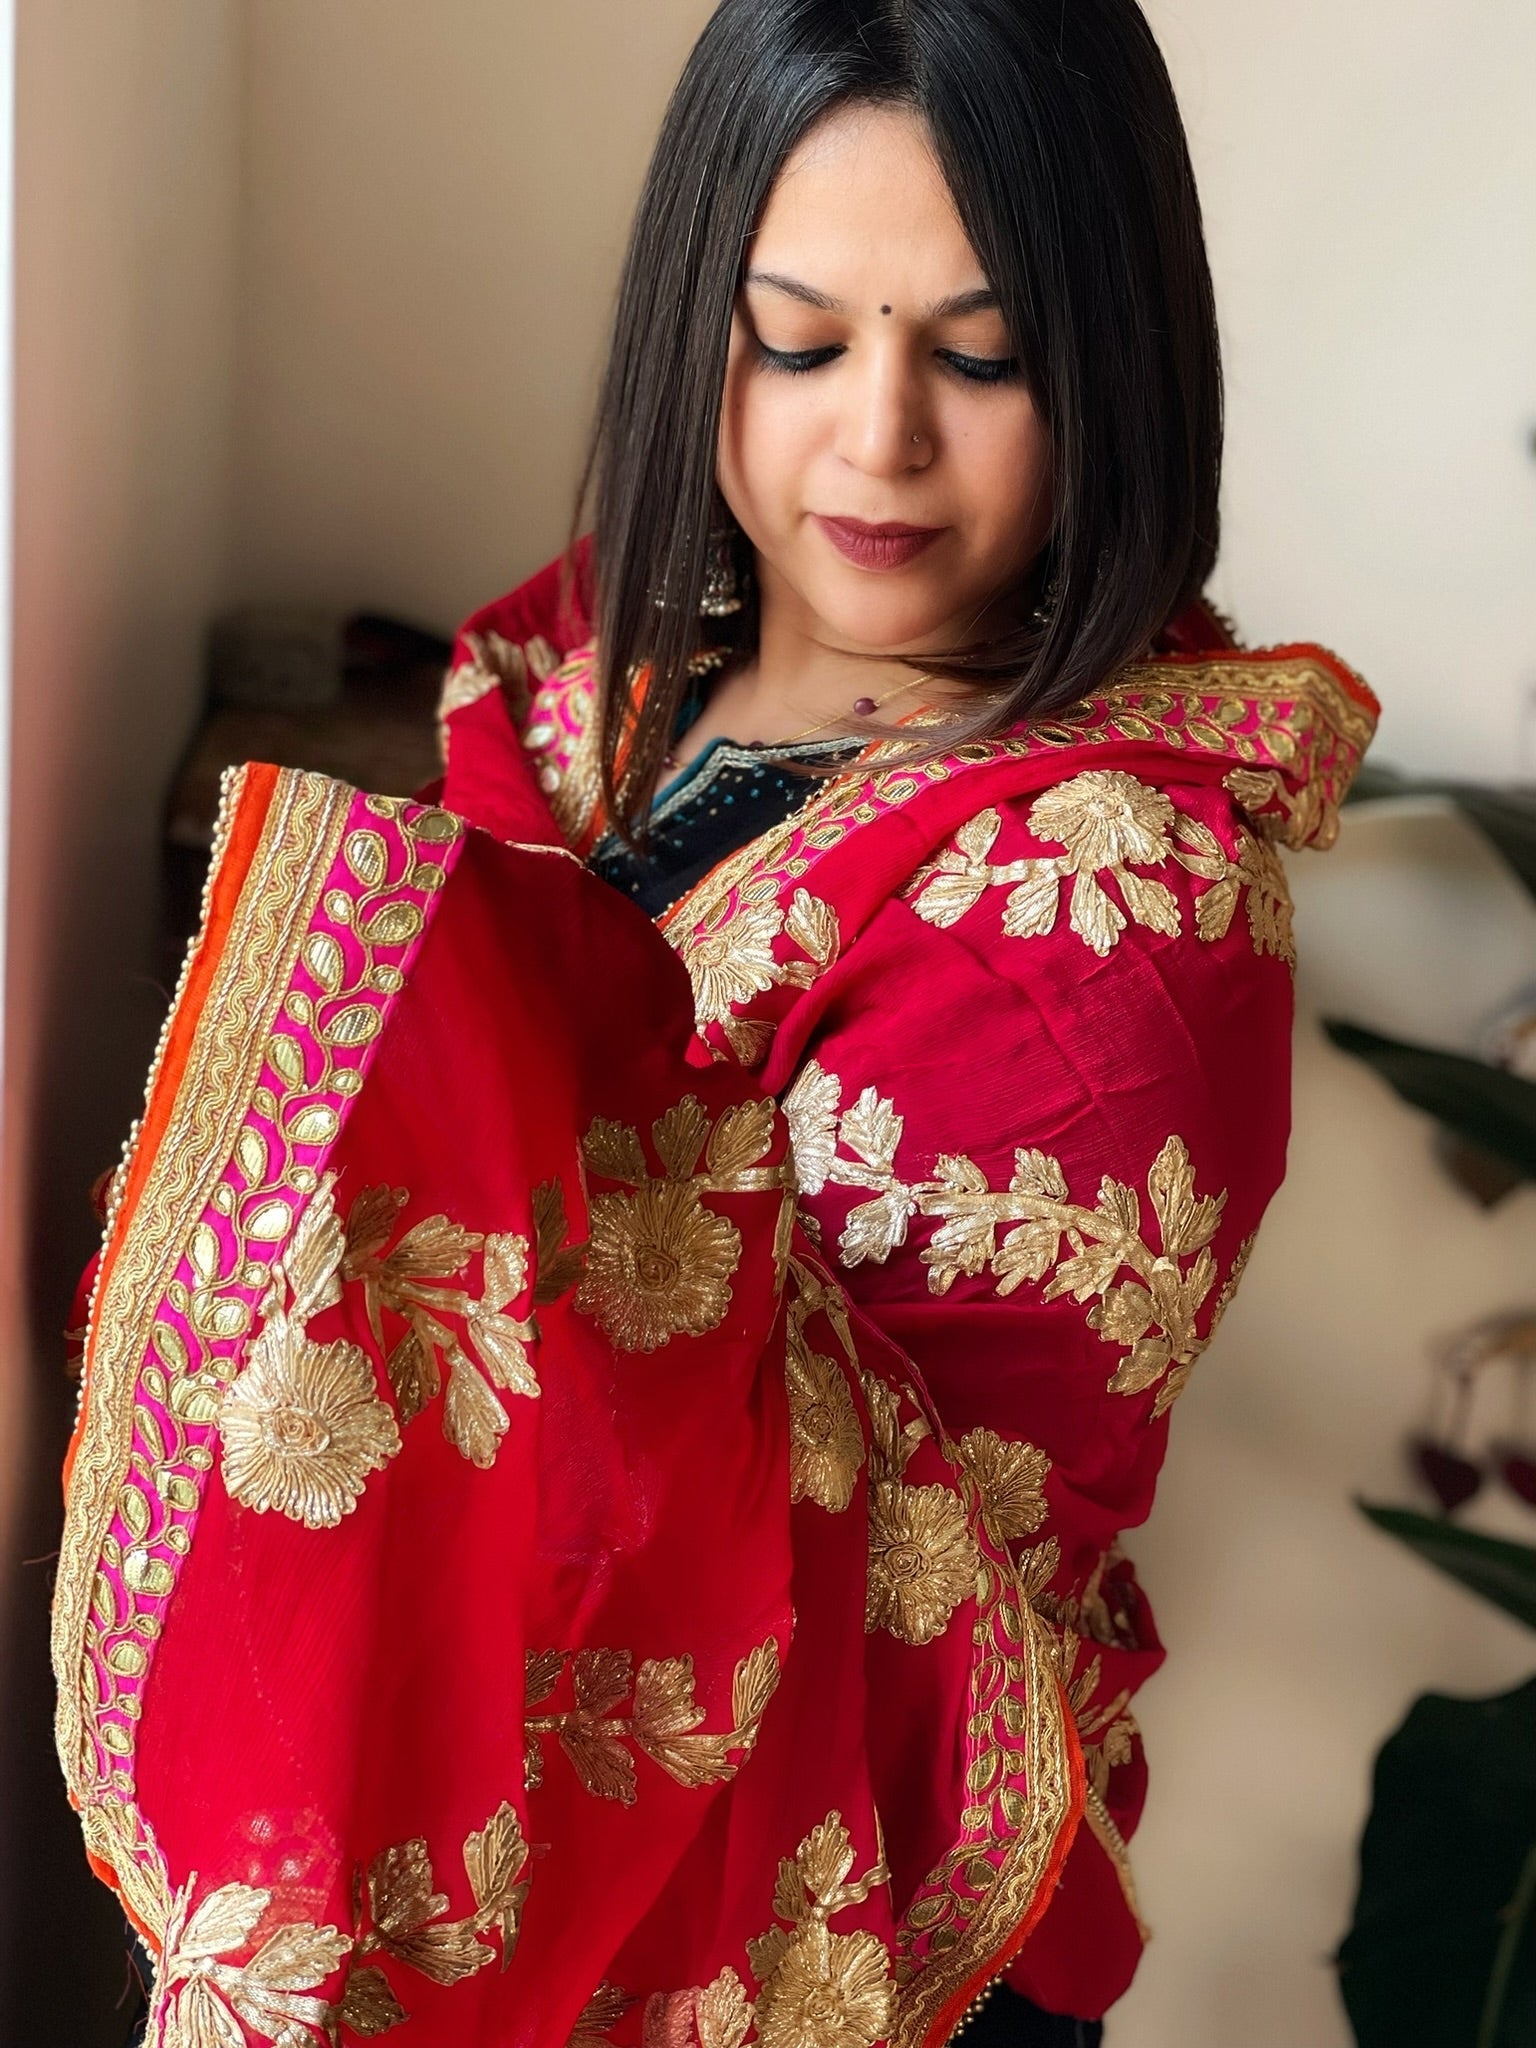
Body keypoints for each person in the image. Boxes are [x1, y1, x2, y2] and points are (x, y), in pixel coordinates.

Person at [55, 6, 1377, 2047]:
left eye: (983, 351)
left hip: (853, 1914)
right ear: (701, 319)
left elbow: (854, 1538)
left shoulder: (1119, 895)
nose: (877, 443)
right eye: (798, 335)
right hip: (492, 1777)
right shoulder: (619, 678)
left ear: (1118, 353)